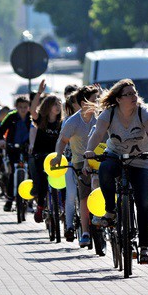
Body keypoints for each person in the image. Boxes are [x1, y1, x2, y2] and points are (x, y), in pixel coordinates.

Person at [84, 79, 148, 265]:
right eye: (128, 94)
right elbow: (98, 133)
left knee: (143, 203)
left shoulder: (143, 112)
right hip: (115, 157)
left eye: (134, 93)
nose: (133, 97)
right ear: (118, 99)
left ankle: (144, 247)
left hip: (141, 159)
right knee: (105, 169)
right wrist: (89, 150)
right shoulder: (109, 114)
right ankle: (110, 211)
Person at [53, 85, 99, 247]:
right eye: (95, 100)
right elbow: (62, 141)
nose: (98, 103)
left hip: (101, 159)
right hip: (80, 161)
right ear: (84, 103)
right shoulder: (73, 121)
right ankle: (85, 232)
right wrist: (58, 156)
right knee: (84, 196)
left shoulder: (101, 118)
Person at [29, 93, 63, 226]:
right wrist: (39, 93)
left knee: (63, 181)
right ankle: (40, 207)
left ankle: (62, 206)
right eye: (55, 104)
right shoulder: (41, 119)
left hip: (56, 157)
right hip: (41, 156)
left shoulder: (62, 123)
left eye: (59, 104)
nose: (58, 107)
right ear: (48, 106)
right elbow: (32, 110)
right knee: (43, 181)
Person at [0, 96, 32, 212]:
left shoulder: (31, 117)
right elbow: (0, 129)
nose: (23, 109)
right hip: (13, 148)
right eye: (20, 107)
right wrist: (1, 140)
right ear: (16, 107)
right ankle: (9, 199)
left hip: (27, 148)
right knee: (13, 172)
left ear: (29, 107)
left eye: (25, 107)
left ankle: (29, 200)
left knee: (30, 172)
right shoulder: (11, 116)